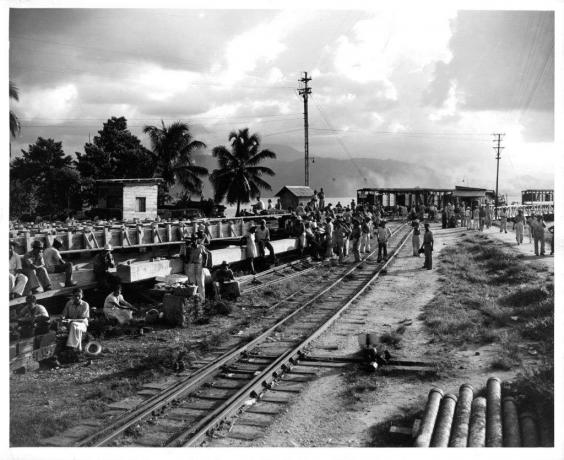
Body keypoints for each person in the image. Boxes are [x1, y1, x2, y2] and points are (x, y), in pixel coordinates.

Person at [184, 234, 209, 302]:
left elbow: (206, 255)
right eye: (192, 239)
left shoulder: (201, 247)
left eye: (195, 239)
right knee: (192, 283)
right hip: (191, 265)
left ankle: (202, 299)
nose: (194, 241)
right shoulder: (188, 248)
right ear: (191, 240)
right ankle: (193, 299)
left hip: (199, 265)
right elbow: (186, 258)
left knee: (200, 282)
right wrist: (186, 260)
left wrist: (205, 263)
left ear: (197, 239)